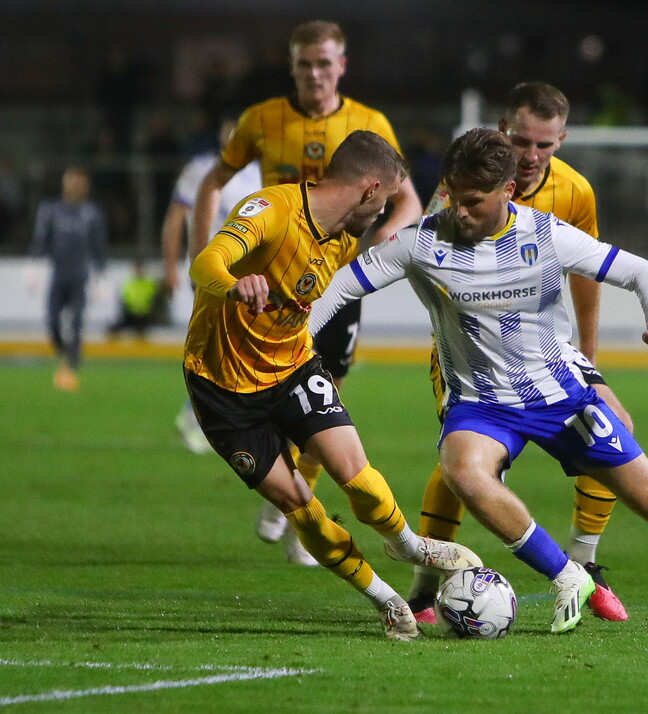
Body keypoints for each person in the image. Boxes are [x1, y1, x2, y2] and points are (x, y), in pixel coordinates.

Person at [308, 128, 648, 636]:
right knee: (462, 470)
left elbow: (645, 272)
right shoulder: (420, 244)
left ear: (508, 192)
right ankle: (568, 575)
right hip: (481, 404)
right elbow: (339, 288)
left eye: (474, 202)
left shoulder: (546, 237)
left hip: (563, 397)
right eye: (454, 198)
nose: (460, 212)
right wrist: (296, 341)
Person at [183, 130, 481, 641]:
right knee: (300, 504)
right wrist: (237, 283)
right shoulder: (271, 209)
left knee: (355, 474)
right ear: (369, 191)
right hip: (223, 389)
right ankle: (385, 599)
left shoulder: (343, 240)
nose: (385, 212)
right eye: (384, 202)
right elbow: (206, 261)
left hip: (293, 366)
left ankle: (410, 546)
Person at [190, 19, 424, 561]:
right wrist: (206, 260)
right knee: (272, 386)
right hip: (269, 279)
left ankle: (296, 501)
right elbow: (212, 182)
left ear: (342, 66)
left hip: (334, 276)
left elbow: (409, 197)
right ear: (291, 66)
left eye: (324, 63)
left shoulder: (369, 123)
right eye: (304, 64)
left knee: (325, 391)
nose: (314, 74)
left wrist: (387, 233)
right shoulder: (262, 119)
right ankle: (290, 495)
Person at [411, 83, 633, 623]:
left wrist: (590, 355)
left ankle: (586, 561)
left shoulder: (575, 192)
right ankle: (423, 588)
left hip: (548, 349)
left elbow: (590, 272)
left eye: (544, 146)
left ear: (562, 140)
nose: (531, 157)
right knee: (461, 463)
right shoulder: (463, 187)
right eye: (520, 141)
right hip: (473, 357)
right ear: (503, 129)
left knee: (613, 424)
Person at [161, 115, 261, 457]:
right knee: (221, 345)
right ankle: (197, 415)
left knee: (232, 347)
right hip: (211, 271)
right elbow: (176, 218)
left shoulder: (261, 174)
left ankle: (206, 414)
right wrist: (172, 265)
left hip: (249, 278)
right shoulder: (201, 169)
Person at [26, 166, 107, 391]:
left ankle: (71, 363)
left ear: (85, 185)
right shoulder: (51, 210)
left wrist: (100, 276)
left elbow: (98, 247)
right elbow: (41, 239)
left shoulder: (91, 213)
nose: (74, 186)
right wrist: (33, 265)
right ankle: (62, 353)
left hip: (79, 273)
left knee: (77, 320)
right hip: (59, 273)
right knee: (52, 318)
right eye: (70, 181)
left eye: (78, 182)